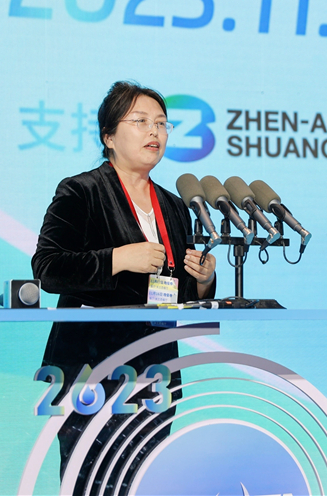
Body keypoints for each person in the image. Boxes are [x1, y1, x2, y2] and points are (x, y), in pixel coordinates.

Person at [32, 81, 216, 492]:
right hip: (91, 370)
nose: (154, 132)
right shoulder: (81, 191)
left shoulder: (174, 206)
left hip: (155, 372)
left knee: (142, 483)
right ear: (109, 137)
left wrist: (203, 281)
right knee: (93, 485)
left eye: (162, 123)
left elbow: (176, 293)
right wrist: (117, 259)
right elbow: (48, 267)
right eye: (141, 121)